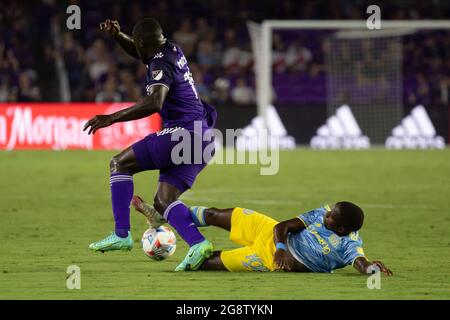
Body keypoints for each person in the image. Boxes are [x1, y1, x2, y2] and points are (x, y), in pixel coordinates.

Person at [84, 18, 217, 272]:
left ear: (143, 42)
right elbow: (140, 50)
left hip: (182, 134)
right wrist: (117, 35)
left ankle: (121, 234)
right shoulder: (171, 48)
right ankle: (198, 244)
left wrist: (111, 117)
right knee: (163, 202)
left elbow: (155, 102)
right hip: (204, 139)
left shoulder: (159, 61)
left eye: (137, 44)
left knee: (119, 163)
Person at [133, 196, 393, 275]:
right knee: (213, 213)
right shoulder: (320, 214)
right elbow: (283, 226)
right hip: (267, 230)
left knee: (203, 262)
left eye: (330, 217)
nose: (325, 215)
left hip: (268, 259)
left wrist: (370, 268)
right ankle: (163, 218)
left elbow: (360, 262)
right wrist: (281, 246)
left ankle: (182, 242)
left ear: (340, 229)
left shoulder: (349, 244)